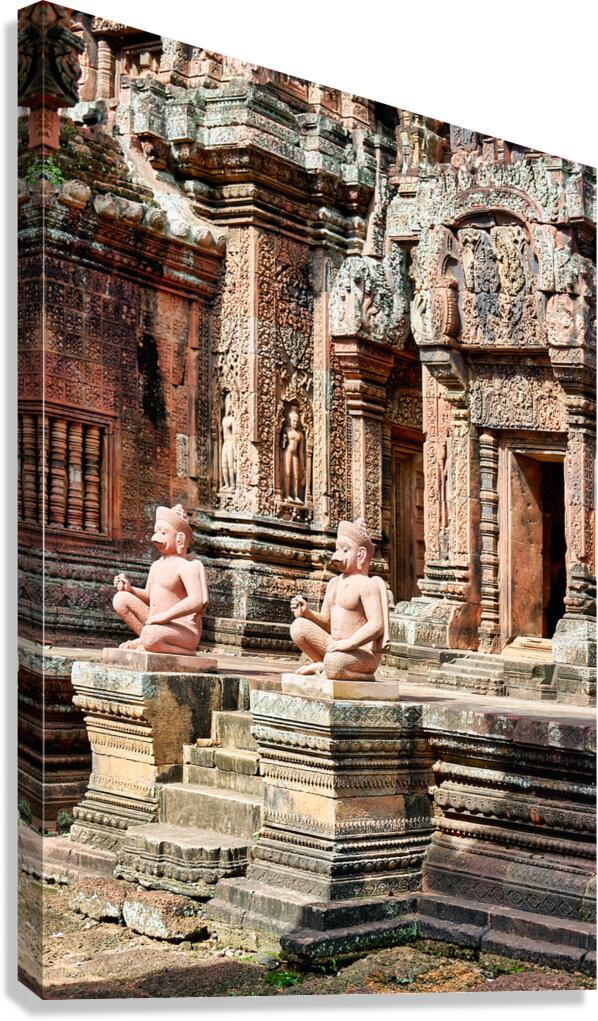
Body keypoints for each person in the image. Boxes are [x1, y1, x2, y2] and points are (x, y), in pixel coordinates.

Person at [290, 517, 389, 680]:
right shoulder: (333, 583)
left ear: (361, 554)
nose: (338, 554)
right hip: (335, 645)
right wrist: (307, 613)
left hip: (362, 653)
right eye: (338, 549)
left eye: (345, 550)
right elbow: (327, 623)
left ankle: (359, 675)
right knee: (298, 626)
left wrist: (348, 644)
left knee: (334, 663)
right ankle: (324, 665)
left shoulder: (366, 585)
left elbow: (376, 625)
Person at [112, 503, 208, 655]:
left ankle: (182, 651)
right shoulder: (156, 565)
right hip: (157, 622)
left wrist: (165, 617)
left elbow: (197, 600)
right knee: (121, 599)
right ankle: (148, 641)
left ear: (180, 539)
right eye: (157, 532)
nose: (156, 538)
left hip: (183, 629)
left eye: (163, 533)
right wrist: (130, 589)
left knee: (151, 636)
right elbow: (149, 596)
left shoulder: (187, 567)